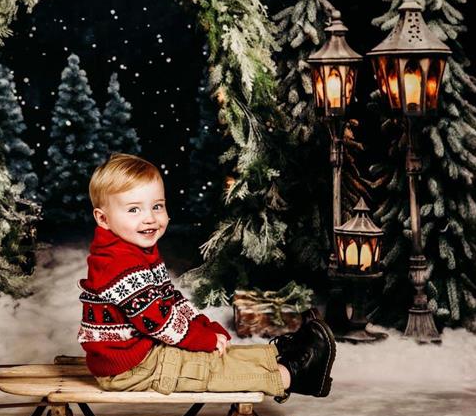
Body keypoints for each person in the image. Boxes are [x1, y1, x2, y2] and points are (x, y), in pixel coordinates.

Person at [77, 153, 335, 402]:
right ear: (104, 219)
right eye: (133, 210)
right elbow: (159, 322)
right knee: (202, 368)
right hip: (128, 367)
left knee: (210, 354)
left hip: (140, 350)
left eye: (157, 206)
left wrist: (203, 327)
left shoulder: (134, 250)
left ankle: (278, 356)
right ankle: (292, 376)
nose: (150, 218)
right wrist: (203, 339)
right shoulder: (118, 263)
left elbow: (169, 300)